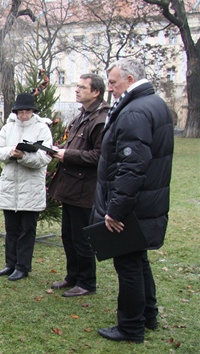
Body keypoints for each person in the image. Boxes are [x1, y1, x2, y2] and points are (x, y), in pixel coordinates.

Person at [94, 58, 173, 343]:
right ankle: (148, 315)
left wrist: (115, 210)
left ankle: (130, 327)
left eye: (113, 82)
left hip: (132, 205)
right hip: (148, 201)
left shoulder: (134, 112)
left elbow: (132, 167)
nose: (110, 88)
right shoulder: (155, 103)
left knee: (127, 264)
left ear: (129, 79)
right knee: (139, 260)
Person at [48, 74, 109, 297]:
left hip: (85, 190)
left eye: (82, 87)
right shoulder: (82, 116)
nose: (77, 90)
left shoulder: (100, 120)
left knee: (82, 239)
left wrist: (68, 155)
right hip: (71, 187)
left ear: (96, 92)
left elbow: (100, 156)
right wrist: (57, 149)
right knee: (68, 235)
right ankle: (72, 276)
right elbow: (75, 145)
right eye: (77, 86)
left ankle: (86, 282)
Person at [0, 93, 52, 281]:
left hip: (31, 187)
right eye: (21, 111)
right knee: (11, 228)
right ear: (15, 112)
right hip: (10, 186)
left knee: (27, 229)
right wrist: (11, 152)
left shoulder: (42, 129)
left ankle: (23, 266)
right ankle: (10, 263)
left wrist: (23, 157)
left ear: (33, 111)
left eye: (27, 111)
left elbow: (45, 157)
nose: (24, 115)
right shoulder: (8, 128)